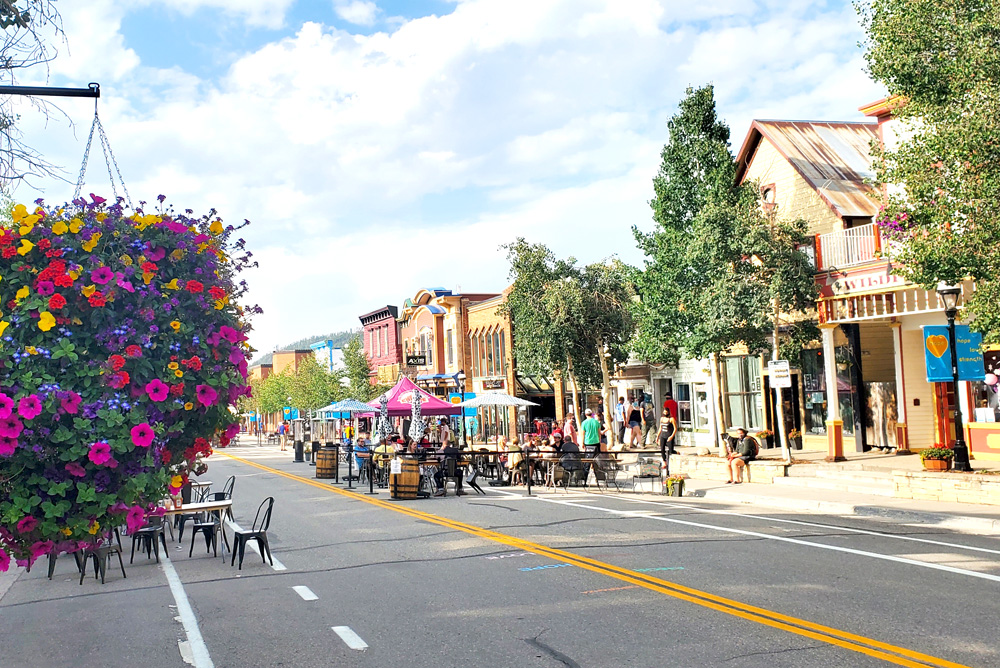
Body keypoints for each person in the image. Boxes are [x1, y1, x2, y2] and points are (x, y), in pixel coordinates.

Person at [658, 408, 678, 474]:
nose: (665, 413)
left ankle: (676, 453)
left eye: (666, 412)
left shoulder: (671, 419)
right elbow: (660, 428)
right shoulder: (662, 419)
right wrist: (657, 437)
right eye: (664, 412)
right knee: (662, 449)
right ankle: (664, 462)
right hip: (663, 436)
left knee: (670, 451)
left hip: (669, 435)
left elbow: (675, 429)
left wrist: (671, 436)